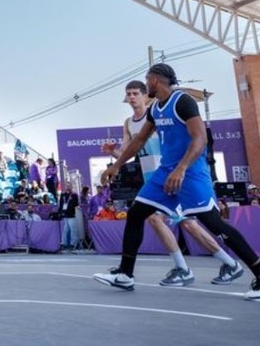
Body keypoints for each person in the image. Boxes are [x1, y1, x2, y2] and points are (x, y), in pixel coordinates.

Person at [93, 64, 260, 301]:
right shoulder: (156, 109)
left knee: (213, 224)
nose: (146, 84)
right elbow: (140, 140)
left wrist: (181, 168)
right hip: (164, 173)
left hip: (190, 173)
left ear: (154, 80)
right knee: (137, 214)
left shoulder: (182, 101)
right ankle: (125, 274)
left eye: (147, 80)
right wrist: (117, 164)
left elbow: (200, 138)